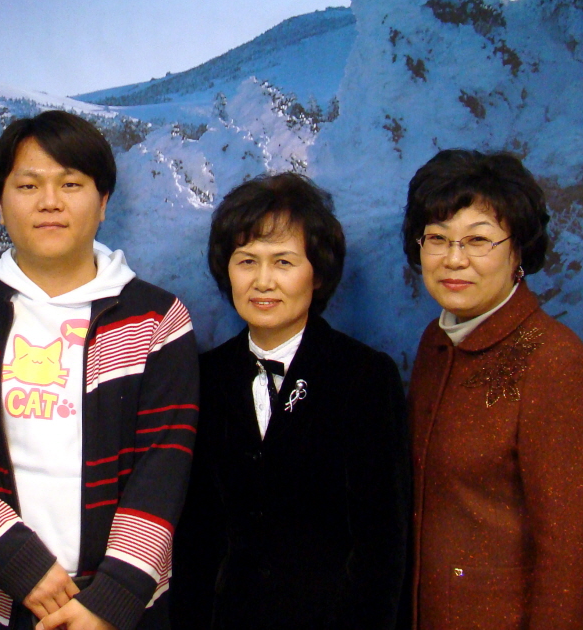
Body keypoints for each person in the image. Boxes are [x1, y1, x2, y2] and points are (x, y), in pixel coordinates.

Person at [0, 110, 198, 630]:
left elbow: (165, 463)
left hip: (122, 609)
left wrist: (112, 596)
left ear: (103, 202)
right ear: (0, 203)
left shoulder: (157, 319)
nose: (49, 201)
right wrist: (21, 565)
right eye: (28, 185)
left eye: (71, 184)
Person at [171, 172, 409, 630]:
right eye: (247, 261)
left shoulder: (364, 376)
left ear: (316, 273)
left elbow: (384, 543)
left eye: (283, 262)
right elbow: (196, 538)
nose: (263, 281)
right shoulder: (205, 377)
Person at [402, 149, 583, 630]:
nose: (454, 259)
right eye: (437, 238)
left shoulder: (555, 365)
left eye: (478, 240)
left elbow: (570, 559)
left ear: (519, 249)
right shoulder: (437, 342)